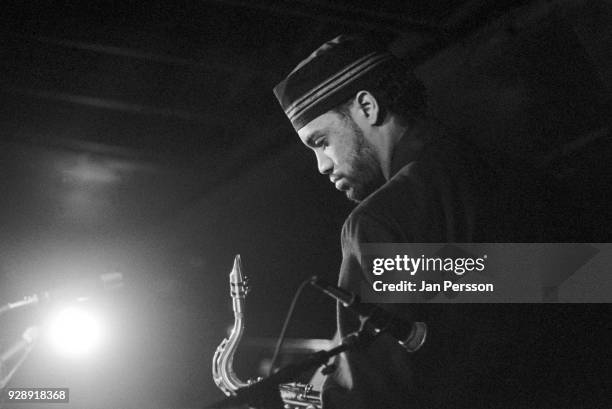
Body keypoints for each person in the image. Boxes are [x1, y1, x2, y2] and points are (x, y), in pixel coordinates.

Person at [273, 35, 606, 409]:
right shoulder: (521, 174)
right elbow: (585, 284)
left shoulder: (379, 221)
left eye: (321, 141)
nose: (322, 165)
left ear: (366, 106)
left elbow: (375, 393)